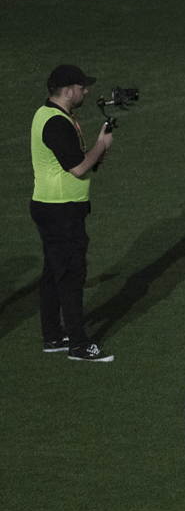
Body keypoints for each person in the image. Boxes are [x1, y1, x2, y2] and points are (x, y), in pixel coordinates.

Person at [30, 64, 114, 362]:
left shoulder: (50, 114)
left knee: (54, 273)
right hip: (61, 211)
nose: (85, 91)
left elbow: (79, 161)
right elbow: (78, 167)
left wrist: (98, 153)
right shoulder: (56, 123)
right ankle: (79, 345)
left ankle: (53, 336)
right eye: (81, 87)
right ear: (67, 91)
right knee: (71, 276)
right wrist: (101, 144)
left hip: (52, 207)